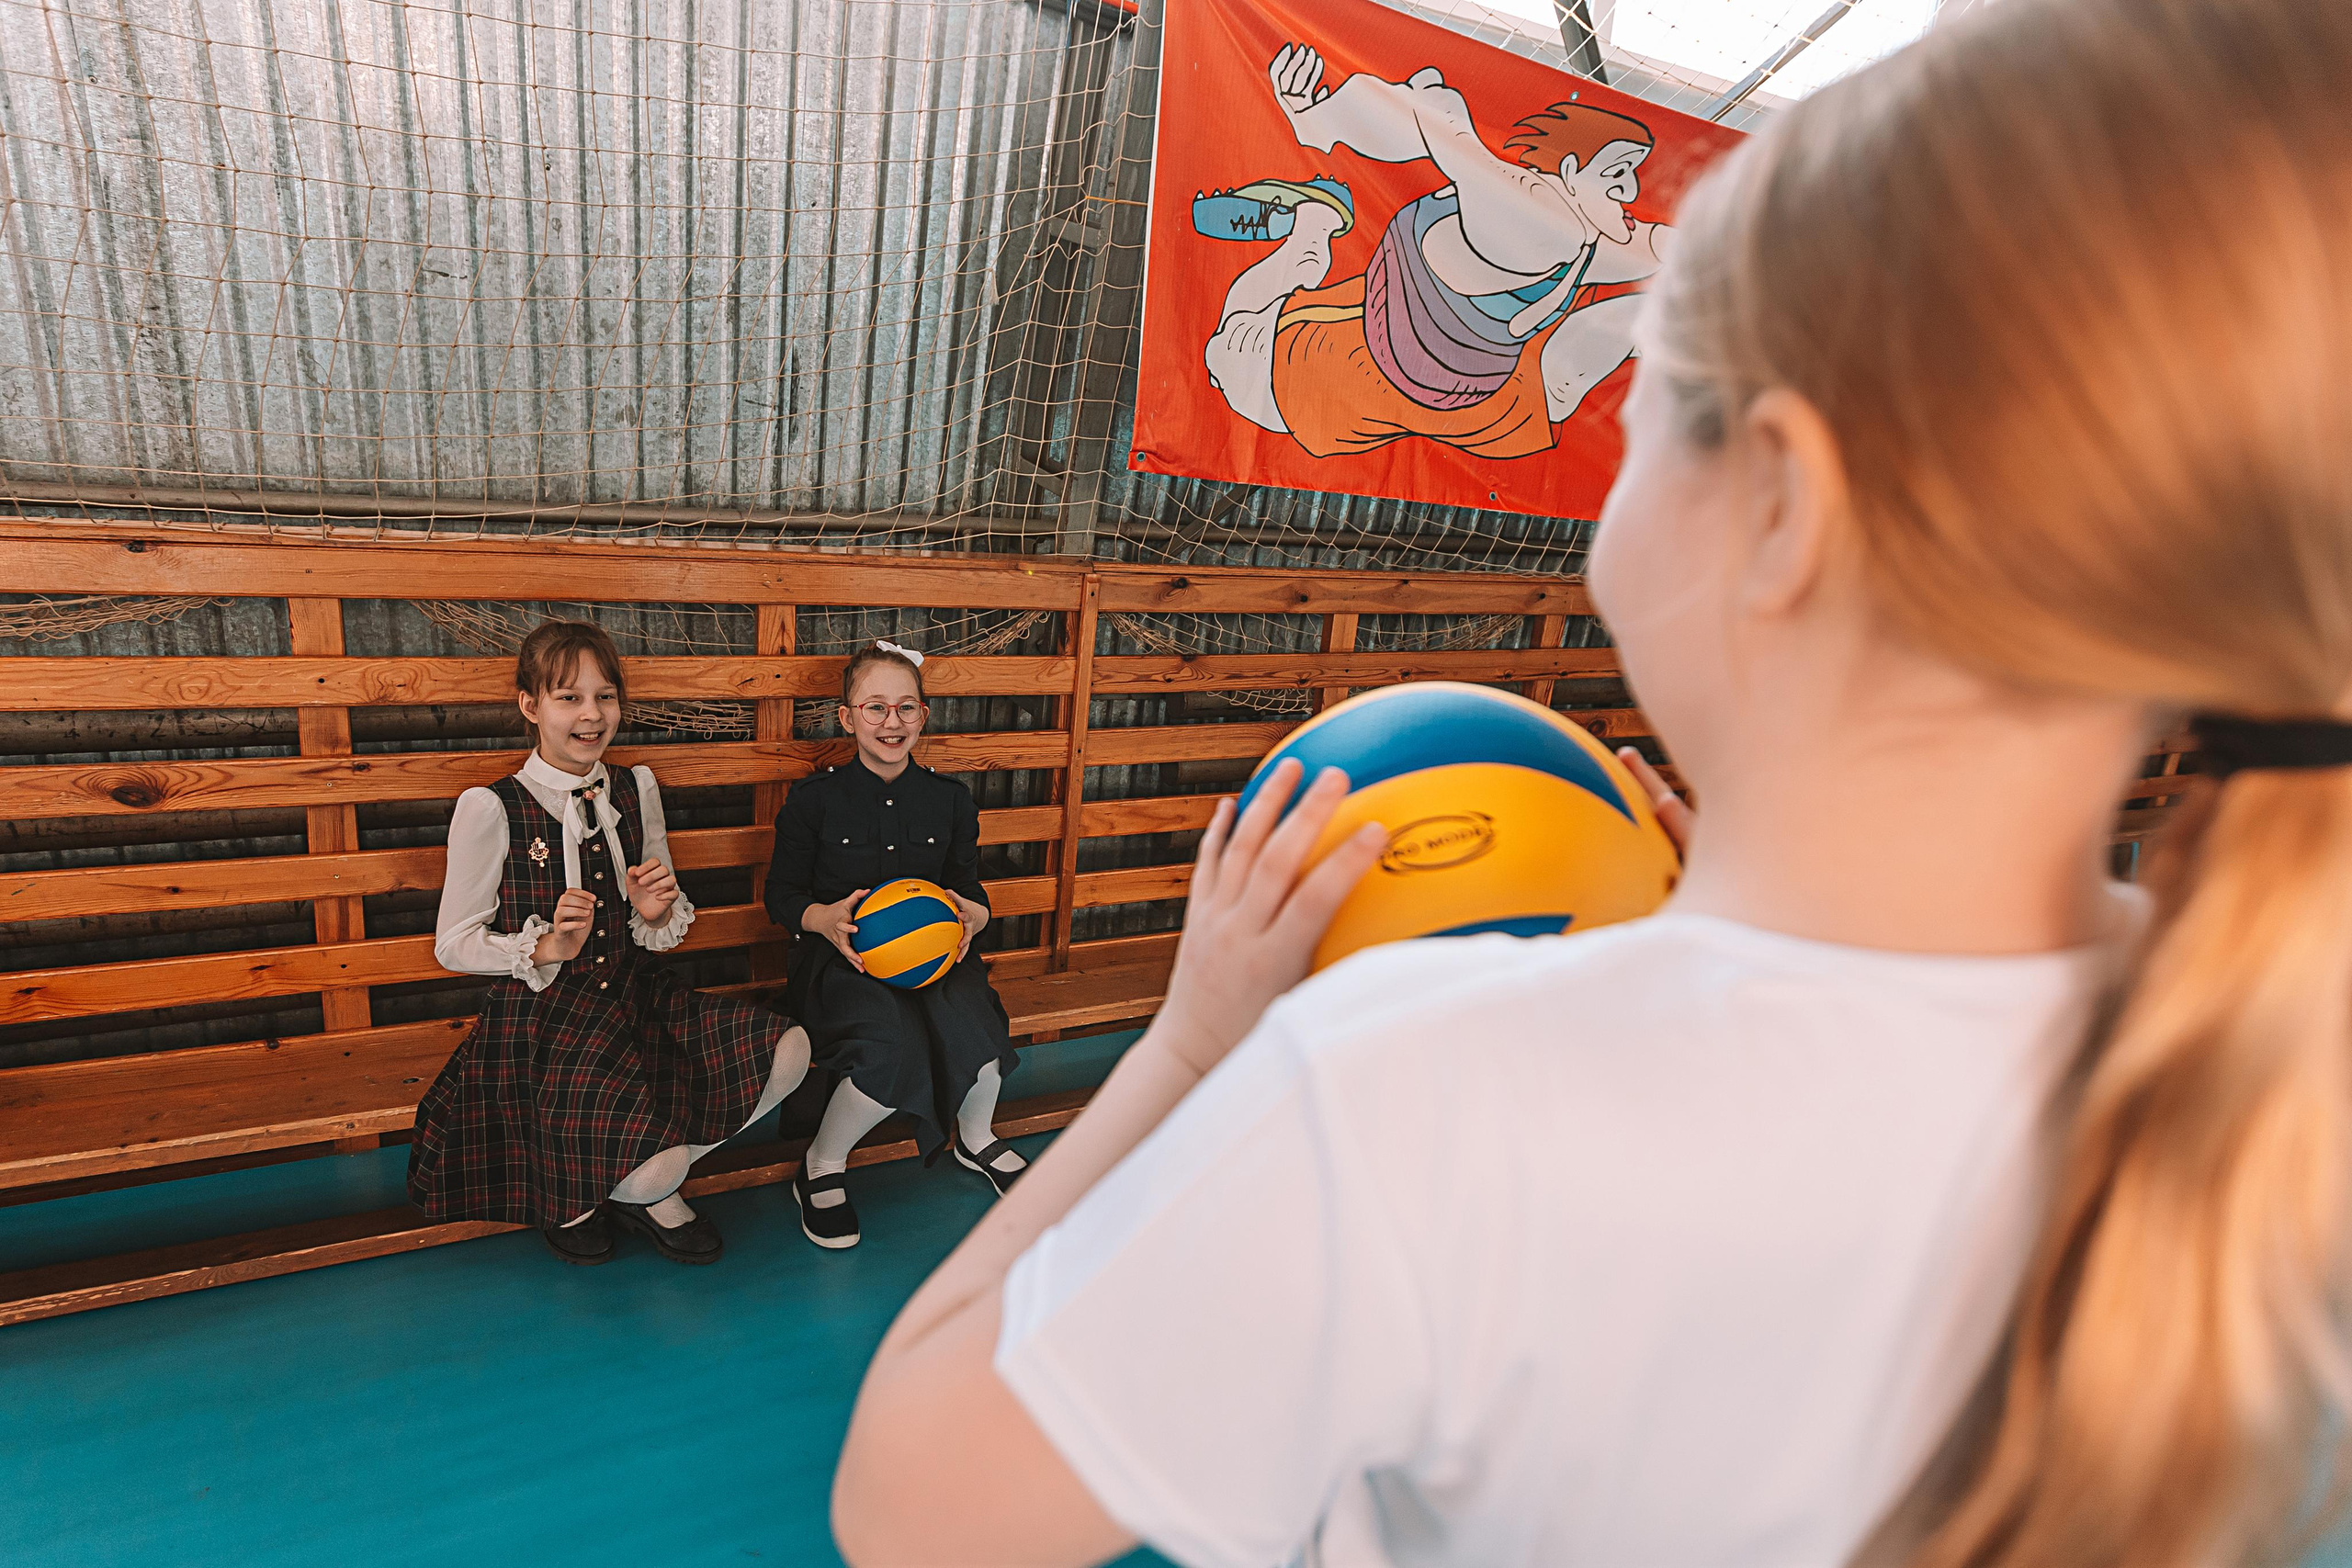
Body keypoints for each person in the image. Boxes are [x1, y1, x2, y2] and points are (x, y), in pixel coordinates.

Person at [831, 0, 2352, 1563]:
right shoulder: (2257, 1044)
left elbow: (912, 1513)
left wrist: (1196, 1044)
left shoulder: (1412, 1086)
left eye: (1652, 408)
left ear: (1783, 503)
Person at [408, 621, 810, 1266]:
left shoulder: (634, 787)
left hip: (635, 997)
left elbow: (656, 923)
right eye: (569, 697)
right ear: (530, 705)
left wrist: (655, 910)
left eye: (605, 696)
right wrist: (544, 948)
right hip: (547, 1022)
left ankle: (631, 1177)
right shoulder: (490, 807)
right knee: (655, 1172)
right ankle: (608, 1188)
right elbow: (453, 944)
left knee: (791, 1050)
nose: (592, 715)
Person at [1194, 43, 1668, 457]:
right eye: (1617, 172)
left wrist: (1319, 117)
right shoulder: (1547, 225)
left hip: (1429, 374)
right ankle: (1311, 226)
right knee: (1236, 339)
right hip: (1380, 367)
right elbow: (1438, 125)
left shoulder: (1571, 235)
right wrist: (1323, 119)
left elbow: (1655, 245)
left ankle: (1311, 224)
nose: (1631, 189)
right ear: (1568, 171)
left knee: (1560, 387)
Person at [763, 641, 1023, 1251]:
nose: (892, 721)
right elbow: (781, 894)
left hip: (934, 957)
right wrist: (823, 918)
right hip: (844, 959)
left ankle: (976, 1137)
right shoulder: (813, 800)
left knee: (978, 1026)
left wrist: (976, 913)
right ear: (847, 717)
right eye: (875, 707)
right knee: (890, 1044)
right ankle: (821, 1164)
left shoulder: (949, 800)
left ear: (923, 715)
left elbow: (966, 885)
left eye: (906, 707)